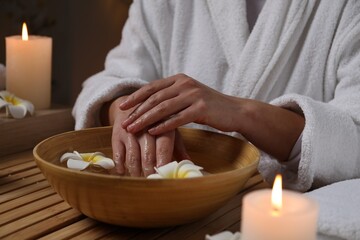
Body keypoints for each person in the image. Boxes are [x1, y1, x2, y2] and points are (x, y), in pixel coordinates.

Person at [73, 0, 360, 192]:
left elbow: (354, 136)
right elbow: (112, 80)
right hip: (165, 205)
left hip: (284, 217)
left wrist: (242, 113)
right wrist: (127, 110)